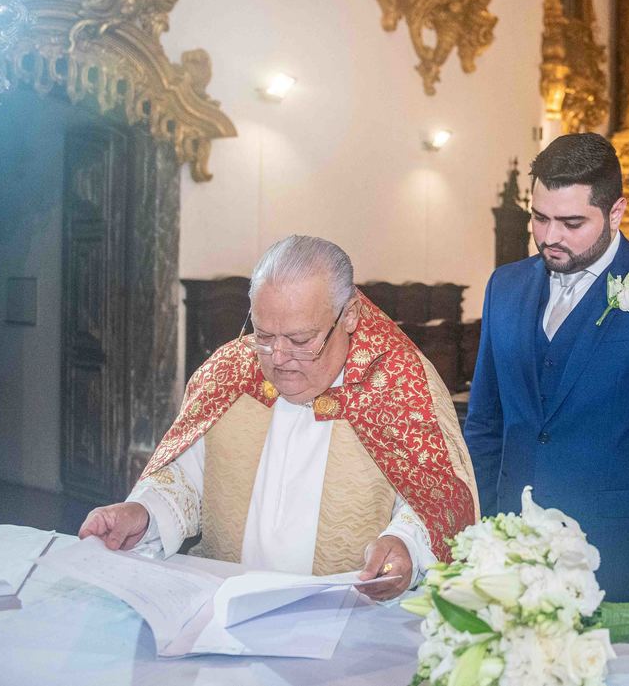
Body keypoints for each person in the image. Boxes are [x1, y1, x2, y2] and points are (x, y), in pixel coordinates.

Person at [79, 235, 477, 600]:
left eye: (302, 340)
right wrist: (144, 513)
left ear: (350, 315)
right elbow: (186, 481)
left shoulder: (399, 384)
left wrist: (404, 545)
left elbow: (437, 500)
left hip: (346, 625)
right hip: (225, 608)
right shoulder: (230, 372)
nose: (278, 358)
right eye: (264, 335)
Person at [463, 132, 629, 602]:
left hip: (619, 559)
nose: (549, 237)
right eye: (539, 218)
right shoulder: (504, 285)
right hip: (508, 550)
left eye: (571, 222)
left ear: (616, 212)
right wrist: (470, 535)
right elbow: (484, 424)